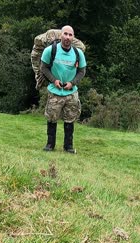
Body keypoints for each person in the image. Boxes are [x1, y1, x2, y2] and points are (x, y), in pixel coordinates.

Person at [40, 25, 86, 154]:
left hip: (71, 93)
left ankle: (68, 147)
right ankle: (50, 145)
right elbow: (43, 68)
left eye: (70, 35)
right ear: (61, 35)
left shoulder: (78, 53)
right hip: (55, 91)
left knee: (70, 119)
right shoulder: (50, 50)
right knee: (52, 118)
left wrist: (72, 83)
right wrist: (54, 80)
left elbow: (82, 71)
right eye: (65, 34)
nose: (67, 37)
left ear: (73, 37)